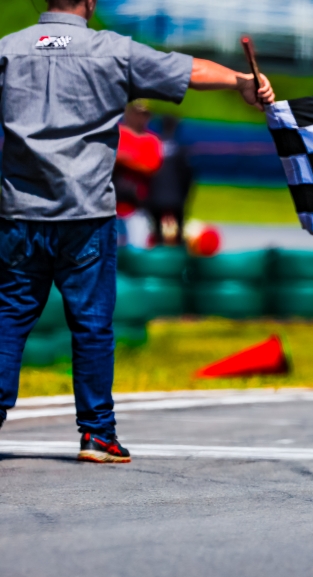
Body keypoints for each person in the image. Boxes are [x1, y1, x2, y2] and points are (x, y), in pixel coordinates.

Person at [0, 0, 274, 463]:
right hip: (85, 216)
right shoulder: (111, 49)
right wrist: (242, 81)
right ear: (89, 2)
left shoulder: (9, 48)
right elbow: (190, 70)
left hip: (19, 214)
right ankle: (97, 436)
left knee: (8, 319)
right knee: (90, 326)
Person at [114, 101, 163, 245]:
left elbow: (151, 165)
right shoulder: (117, 132)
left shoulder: (151, 140)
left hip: (138, 204)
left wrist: (125, 158)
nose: (140, 118)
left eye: (144, 115)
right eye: (136, 113)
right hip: (111, 203)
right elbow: (109, 156)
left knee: (137, 246)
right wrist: (133, 158)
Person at [147, 115, 194, 246]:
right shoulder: (181, 149)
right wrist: (185, 196)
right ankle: (178, 251)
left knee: (157, 232)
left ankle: (158, 250)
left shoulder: (153, 146)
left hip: (155, 197)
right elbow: (187, 175)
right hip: (176, 197)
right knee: (179, 232)